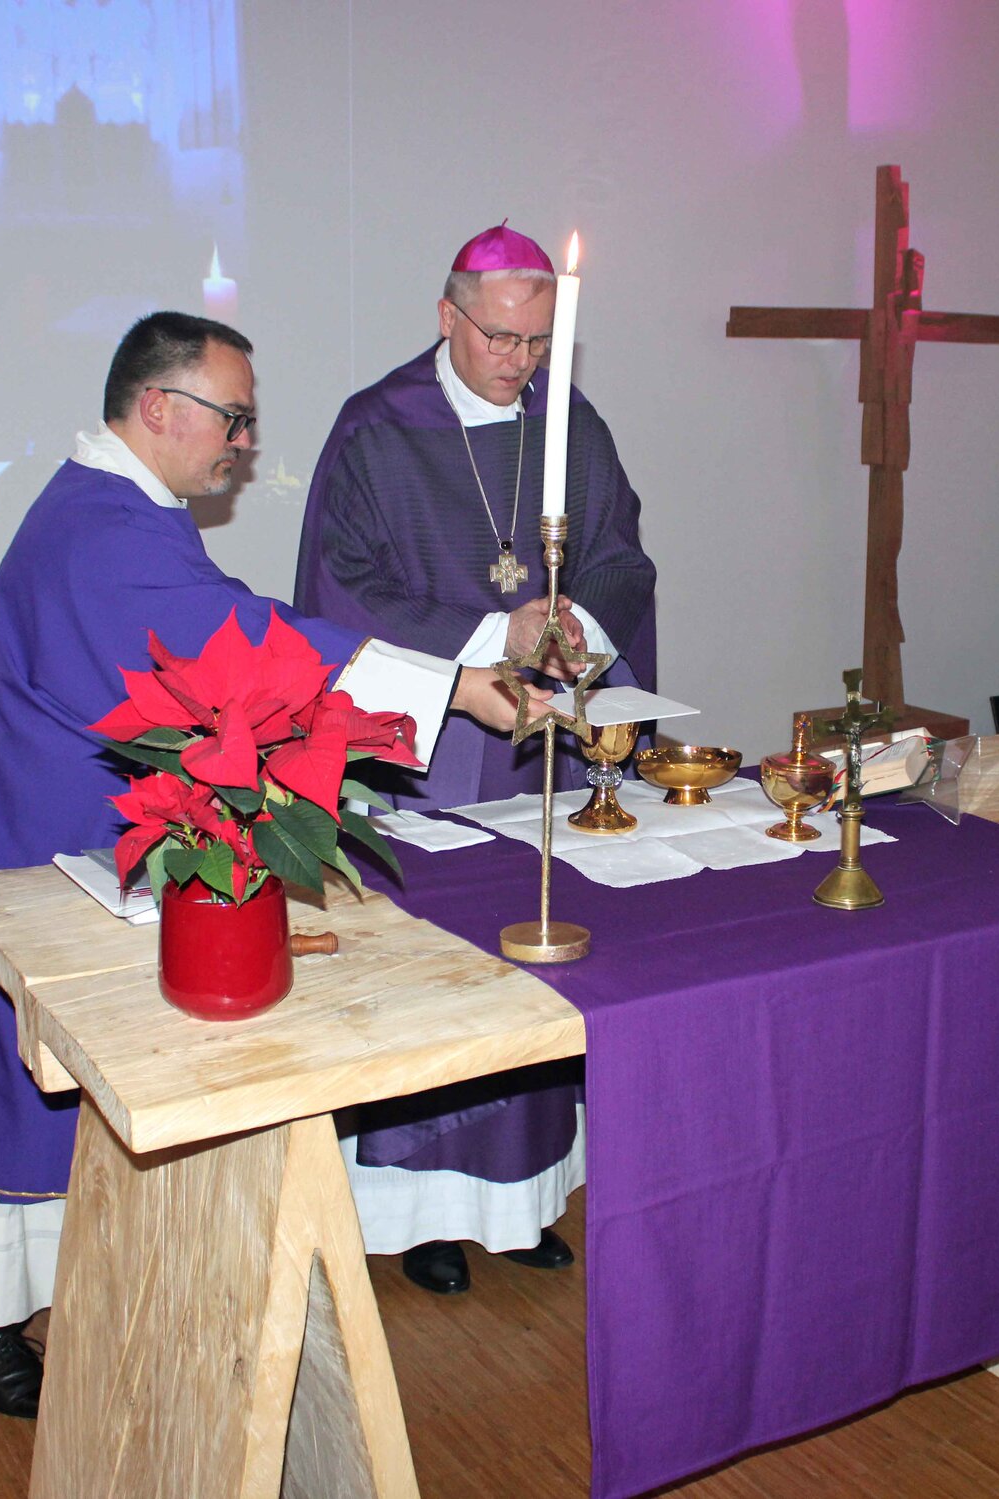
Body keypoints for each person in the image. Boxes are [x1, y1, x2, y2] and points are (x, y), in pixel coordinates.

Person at [0, 312, 539, 1419]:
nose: (244, 443)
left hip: (97, 836)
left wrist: (450, 671)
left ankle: (104, 1289)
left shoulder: (120, 508)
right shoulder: (99, 529)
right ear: (158, 407)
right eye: (233, 417)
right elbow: (235, 648)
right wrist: (448, 682)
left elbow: (227, 632)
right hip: (54, 850)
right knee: (36, 1098)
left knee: (107, 1094)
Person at [294, 223, 655, 1298]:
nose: (518, 361)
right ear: (446, 316)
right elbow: (334, 591)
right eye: (498, 336)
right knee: (447, 959)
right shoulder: (376, 429)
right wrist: (490, 630)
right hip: (435, 736)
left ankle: (525, 1195)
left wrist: (575, 618)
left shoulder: (568, 422)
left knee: (541, 943)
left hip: (540, 726)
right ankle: (423, 1216)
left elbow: (622, 547)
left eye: (538, 342)